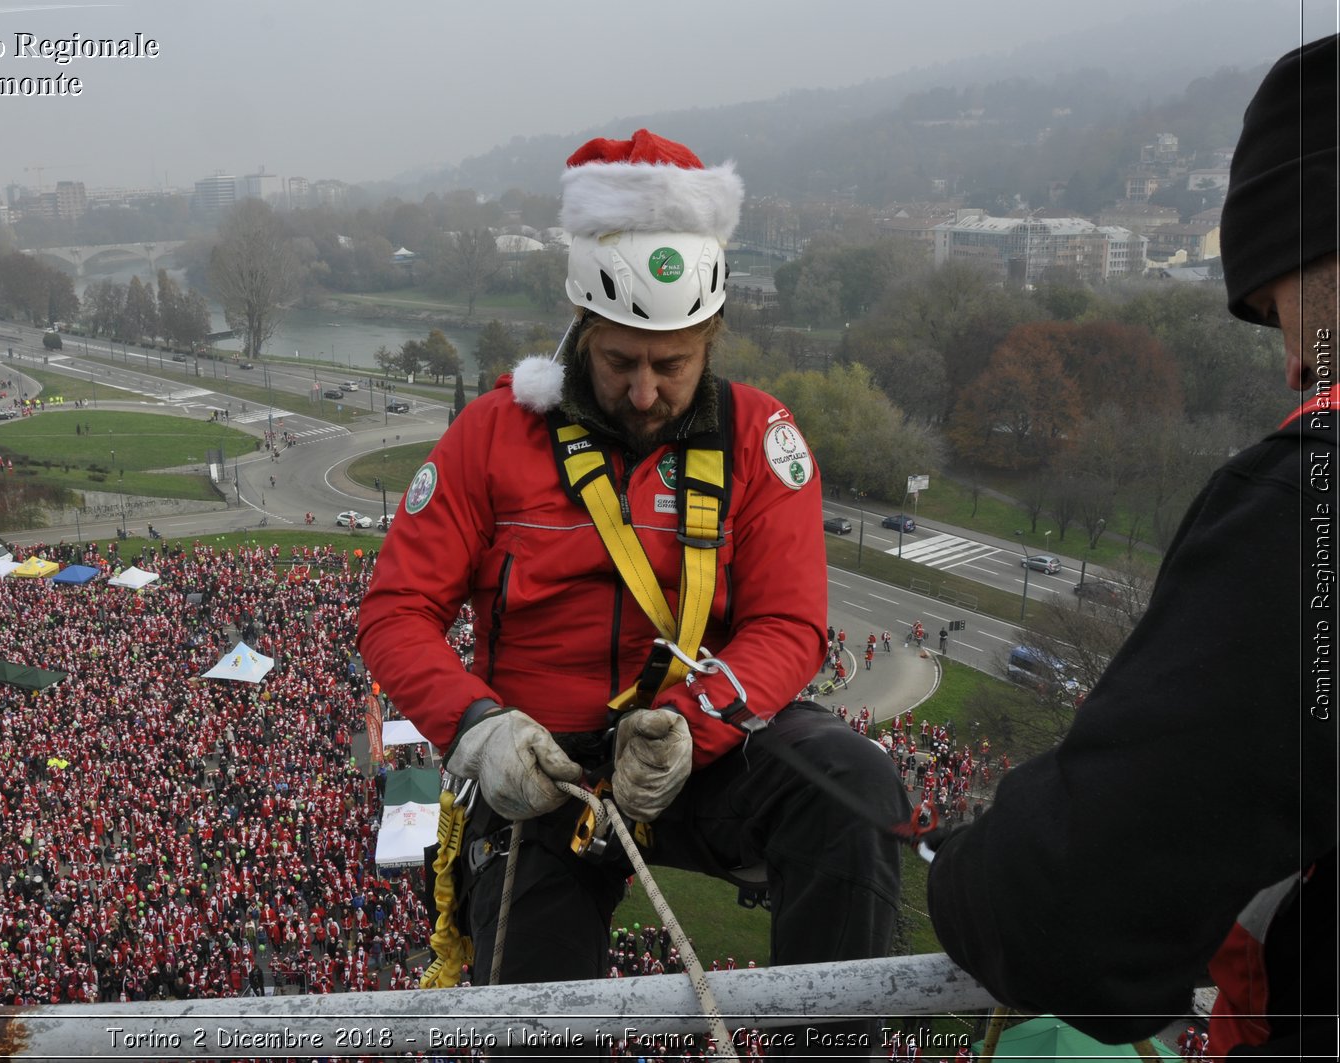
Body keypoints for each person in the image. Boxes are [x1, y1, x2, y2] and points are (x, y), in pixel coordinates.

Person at [359, 130, 906, 1047]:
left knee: (851, 785)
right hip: (543, 767)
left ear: (710, 340)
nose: (647, 391)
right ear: (579, 332)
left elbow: (789, 620)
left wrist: (698, 720)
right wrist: (476, 723)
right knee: (532, 1015)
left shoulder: (759, 437)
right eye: (620, 363)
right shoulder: (493, 434)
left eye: (673, 363)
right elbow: (395, 609)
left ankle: (832, 1045)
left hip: (700, 746)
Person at [926, 35, 1338, 1059]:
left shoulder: (1309, 502)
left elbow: (1066, 910)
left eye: (1276, 307)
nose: (1290, 360)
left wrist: (965, 867)